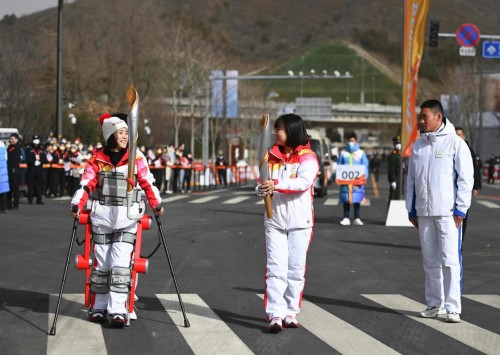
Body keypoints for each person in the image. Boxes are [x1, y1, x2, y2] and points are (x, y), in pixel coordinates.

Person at [70, 113, 164, 327]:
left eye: (127, 133)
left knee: (120, 265)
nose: (125, 137)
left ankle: (118, 310)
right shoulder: (97, 158)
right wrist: (77, 204)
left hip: (126, 218)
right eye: (121, 133)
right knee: (102, 265)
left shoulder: (135, 156)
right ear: (110, 135)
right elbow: (86, 184)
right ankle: (99, 307)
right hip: (102, 217)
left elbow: (147, 181)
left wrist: (156, 202)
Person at [406, 99, 473, 324]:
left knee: (450, 260)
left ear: (438, 117)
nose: (421, 121)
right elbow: (411, 181)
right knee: (430, 260)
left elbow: (466, 178)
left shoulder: (455, 143)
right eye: (420, 117)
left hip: (448, 213)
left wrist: (461, 209)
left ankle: (453, 307)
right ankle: (435, 304)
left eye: (425, 117)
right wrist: (411, 209)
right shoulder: (418, 146)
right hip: (424, 212)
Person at [257, 113, 319, 333]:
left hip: (300, 223)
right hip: (274, 221)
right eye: (274, 129)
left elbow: (303, 183)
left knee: (295, 270)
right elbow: (261, 184)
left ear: (291, 130)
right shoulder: (270, 156)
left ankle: (291, 312)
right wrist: (262, 188)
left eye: (279, 129)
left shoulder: (308, 157)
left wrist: (274, 183)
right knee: (275, 269)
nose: (275, 133)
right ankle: (275, 314)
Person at [455, 127, 480, 244]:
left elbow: (475, 169)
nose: (457, 137)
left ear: (463, 136)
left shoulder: (468, 150)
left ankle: (460, 241)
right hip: (451, 189)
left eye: (459, 134)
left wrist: (475, 187)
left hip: (464, 188)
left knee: (462, 215)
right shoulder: (450, 149)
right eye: (455, 134)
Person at [338, 132, 369, 226]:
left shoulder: (361, 153)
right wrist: (338, 177)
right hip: (345, 181)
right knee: (346, 199)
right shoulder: (343, 153)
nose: (350, 142)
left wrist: (364, 179)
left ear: (355, 140)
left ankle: (357, 218)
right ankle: (346, 217)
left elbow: (365, 166)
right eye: (349, 140)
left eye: (352, 140)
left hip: (357, 181)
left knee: (357, 198)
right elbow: (339, 166)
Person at [26, 135, 47, 204]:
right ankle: (30, 199)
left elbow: (44, 158)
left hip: (39, 169)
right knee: (31, 185)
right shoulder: (29, 148)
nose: (36, 141)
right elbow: (27, 157)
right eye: (35, 139)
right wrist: (33, 162)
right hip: (31, 169)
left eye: (37, 139)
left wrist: (40, 162)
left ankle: (39, 199)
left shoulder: (41, 148)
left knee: (39, 185)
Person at [6, 133, 22, 209]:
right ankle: (8, 204)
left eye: (12, 139)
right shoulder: (9, 147)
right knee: (8, 188)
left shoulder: (17, 148)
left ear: (16, 139)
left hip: (14, 170)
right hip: (9, 169)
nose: (11, 140)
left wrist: (13, 168)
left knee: (15, 188)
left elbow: (15, 160)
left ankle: (15, 204)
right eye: (10, 139)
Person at [387, 135, 402, 203]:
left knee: (397, 198)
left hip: (399, 179)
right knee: (393, 198)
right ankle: (390, 212)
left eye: (400, 143)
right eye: (397, 143)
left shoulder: (400, 155)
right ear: (394, 144)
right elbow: (391, 168)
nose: (399, 145)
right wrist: (393, 180)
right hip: (395, 179)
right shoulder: (393, 155)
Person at [0, 140, 9, 213]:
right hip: (3, 171)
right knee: (2, 191)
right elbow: (6, 158)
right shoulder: (2, 144)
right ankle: (3, 208)